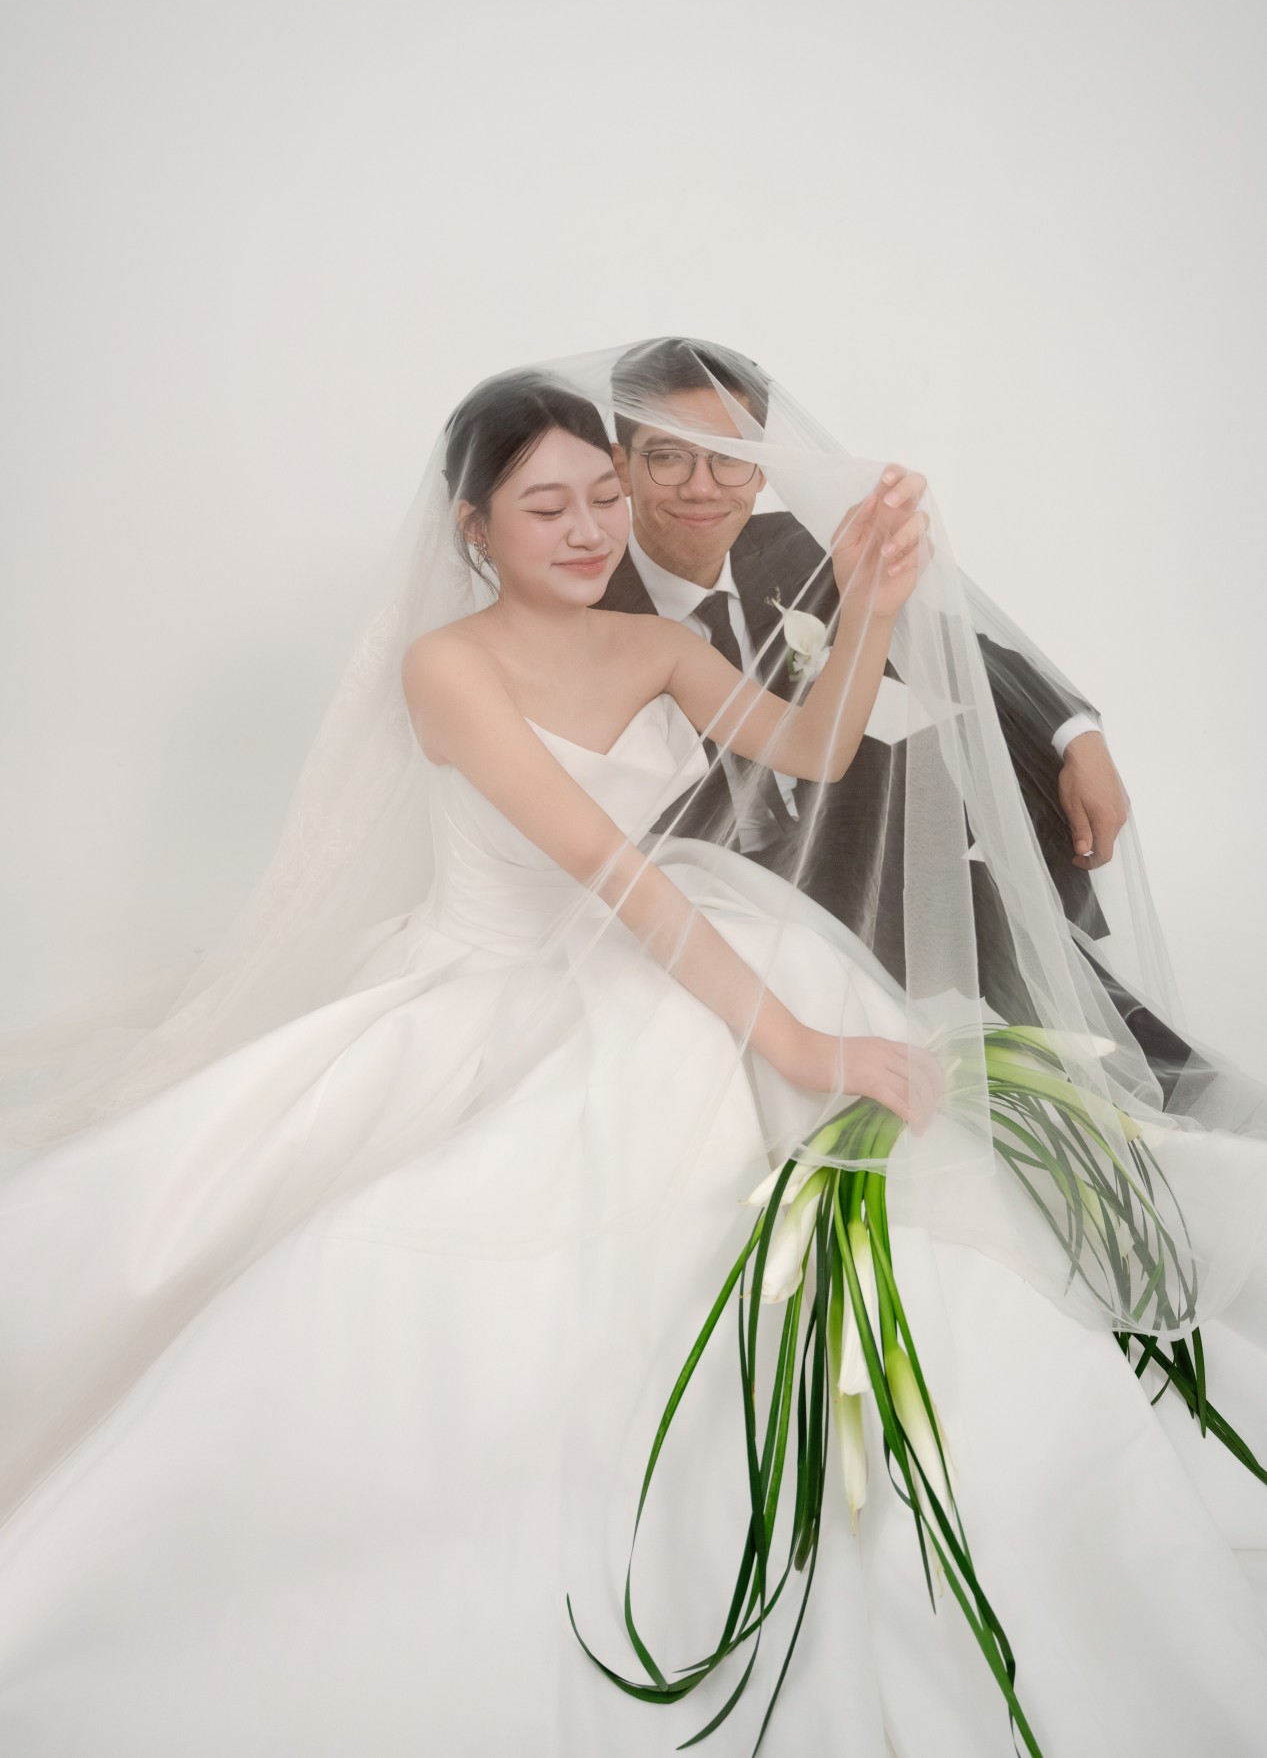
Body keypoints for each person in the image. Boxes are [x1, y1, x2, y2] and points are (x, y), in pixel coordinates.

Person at [1, 352, 1265, 1758]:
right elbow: (612, 869)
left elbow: (814, 750)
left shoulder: (651, 646)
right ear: (472, 526)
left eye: (603, 495)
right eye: (545, 509)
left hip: (660, 954)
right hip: (499, 981)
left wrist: (869, 607)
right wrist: (794, 1035)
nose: (590, 529)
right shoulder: (446, 667)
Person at [600, 337, 1198, 1091]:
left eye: (729, 458)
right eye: (667, 457)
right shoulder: (586, 600)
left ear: (763, 468)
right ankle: (1108, 1062)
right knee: (927, 828)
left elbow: (952, 643)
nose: (701, 487)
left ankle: (1103, 1038)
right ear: (619, 466)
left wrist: (1079, 737)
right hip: (695, 881)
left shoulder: (787, 546)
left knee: (944, 762)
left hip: (821, 832)